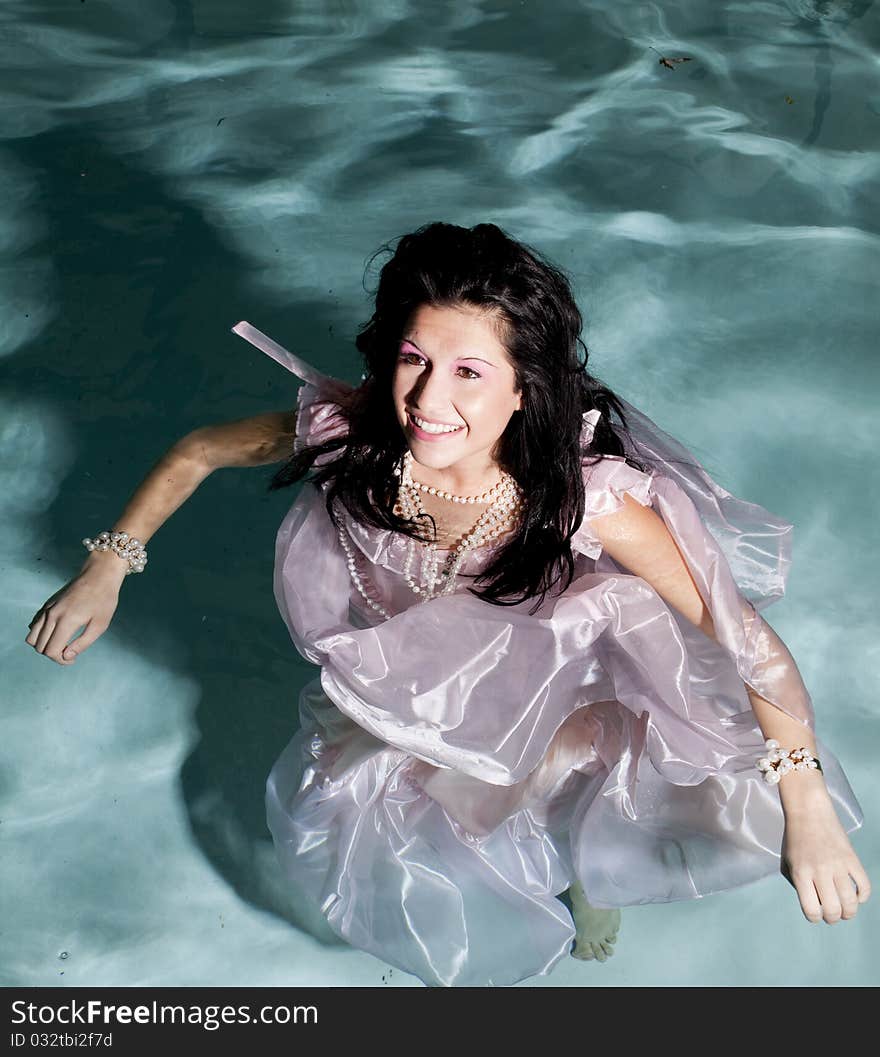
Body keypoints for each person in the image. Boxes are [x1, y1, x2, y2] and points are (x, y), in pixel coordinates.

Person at [25, 221, 869, 988]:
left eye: (470, 372)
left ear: (525, 391)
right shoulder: (349, 435)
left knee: (550, 788)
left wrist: (806, 803)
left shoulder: (590, 501)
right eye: (413, 358)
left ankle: (585, 879)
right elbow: (200, 450)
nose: (429, 402)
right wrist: (110, 564)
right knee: (445, 800)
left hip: (549, 681)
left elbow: (744, 637)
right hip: (414, 676)